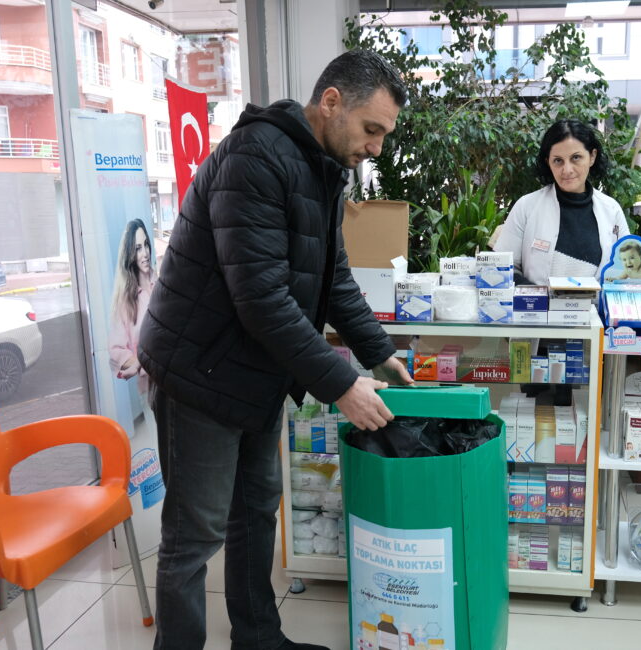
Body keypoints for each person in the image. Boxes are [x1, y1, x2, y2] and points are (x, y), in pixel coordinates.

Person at [138, 50, 413, 650]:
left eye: (385, 136)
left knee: (258, 507)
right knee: (196, 534)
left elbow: (333, 275)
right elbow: (260, 298)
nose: (377, 149)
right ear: (332, 101)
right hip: (200, 369)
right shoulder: (255, 157)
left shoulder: (323, 169)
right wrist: (340, 385)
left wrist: (379, 353)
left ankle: (257, 637)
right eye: (373, 130)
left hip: (254, 369)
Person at [492, 119, 629, 286]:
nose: (567, 170)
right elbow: (501, 267)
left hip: (594, 311)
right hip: (536, 309)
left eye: (576, 158)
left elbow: (626, 270)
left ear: (592, 157)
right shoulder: (526, 206)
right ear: (547, 162)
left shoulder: (611, 210)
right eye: (558, 160)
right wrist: (541, 300)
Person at [109, 218, 155, 395]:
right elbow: (116, 350)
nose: (145, 253)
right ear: (130, 254)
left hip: (171, 381)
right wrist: (139, 361)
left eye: (146, 245)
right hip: (148, 389)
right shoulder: (125, 301)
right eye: (138, 248)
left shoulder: (160, 285)